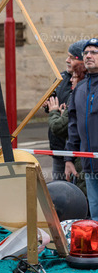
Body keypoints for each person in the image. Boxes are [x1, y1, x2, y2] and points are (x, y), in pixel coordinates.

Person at [65, 38, 98, 220]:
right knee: (95, 213)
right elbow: (73, 126)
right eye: (86, 53)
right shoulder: (80, 89)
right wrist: (69, 159)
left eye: (94, 52)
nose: (88, 56)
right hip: (89, 165)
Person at [45, 40, 87, 180]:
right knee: (58, 186)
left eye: (71, 57)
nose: (67, 60)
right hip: (58, 147)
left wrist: (57, 113)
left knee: (75, 187)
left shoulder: (84, 83)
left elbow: (64, 123)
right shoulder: (61, 78)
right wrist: (49, 106)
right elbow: (53, 102)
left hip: (74, 149)